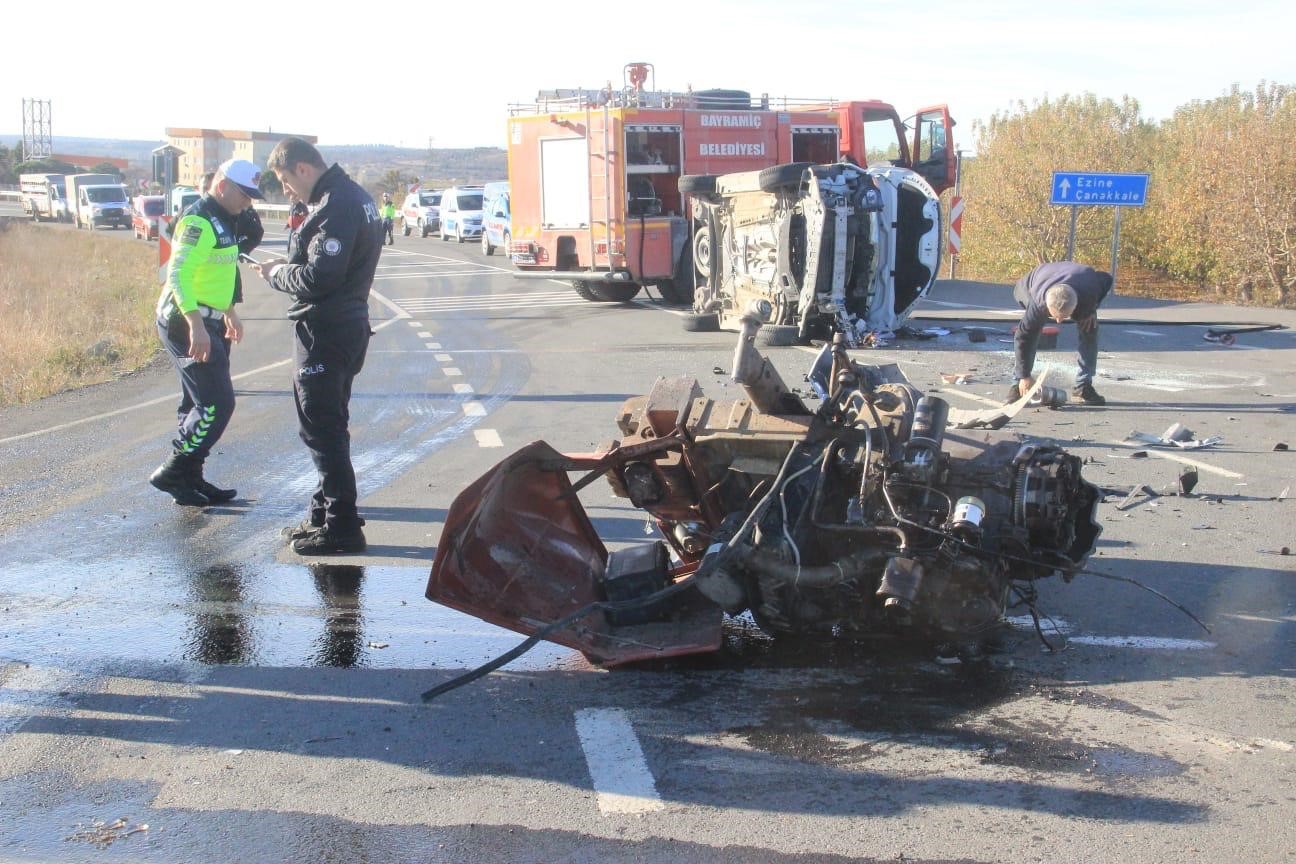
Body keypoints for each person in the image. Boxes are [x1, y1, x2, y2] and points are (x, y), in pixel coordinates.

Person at [252, 137, 382, 555]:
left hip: (327, 331)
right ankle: (324, 514)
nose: (287, 190)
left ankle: (341, 526)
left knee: (322, 428)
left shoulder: (336, 207)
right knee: (325, 426)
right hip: (343, 327)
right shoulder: (349, 198)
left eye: (286, 181)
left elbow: (319, 278)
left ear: (303, 169)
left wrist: (277, 274)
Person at [148, 159, 264, 506]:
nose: (249, 203)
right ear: (223, 185)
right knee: (217, 403)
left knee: (196, 402)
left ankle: (189, 478)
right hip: (186, 319)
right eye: (245, 195)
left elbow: (220, 272)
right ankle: (173, 470)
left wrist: (229, 312)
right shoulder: (199, 219)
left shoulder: (226, 217)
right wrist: (196, 323)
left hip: (211, 318)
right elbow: (179, 274)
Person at [1006, 261, 1113, 406]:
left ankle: (1083, 387)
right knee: (1032, 329)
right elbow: (1022, 336)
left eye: (1063, 317)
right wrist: (1024, 376)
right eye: (1054, 316)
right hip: (1031, 284)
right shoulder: (1038, 303)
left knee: (1089, 326)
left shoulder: (1092, 289)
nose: (1058, 321)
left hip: (1079, 285)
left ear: (1075, 305)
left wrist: (1090, 310)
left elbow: (1107, 279)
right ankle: (1018, 384)